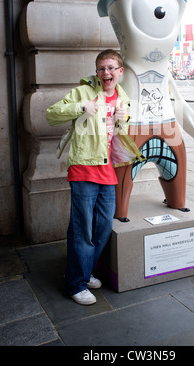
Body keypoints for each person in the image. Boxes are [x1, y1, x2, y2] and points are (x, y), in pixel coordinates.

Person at [46, 49, 144, 305]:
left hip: (107, 171)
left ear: (120, 72)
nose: (106, 73)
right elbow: (51, 114)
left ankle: (82, 269)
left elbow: (118, 133)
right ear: (97, 71)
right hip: (83, 169)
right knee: (82, 230)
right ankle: (75, 284)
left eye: (111, 68)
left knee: (101, 227)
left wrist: (127, 118)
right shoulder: (83, 92)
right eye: (101, 68)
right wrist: (81, 107)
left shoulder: (122, 96)